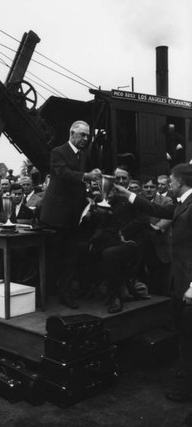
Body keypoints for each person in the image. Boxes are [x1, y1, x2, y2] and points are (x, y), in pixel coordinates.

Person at [115, 163, 192, 402]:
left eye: (171, 180)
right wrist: (127, 193)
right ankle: (187, 370)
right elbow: (155, 208)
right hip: (181, 278)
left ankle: (188, 387)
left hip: (190, 282)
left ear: (179, 182)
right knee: (183, 329)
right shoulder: (181, 204)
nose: (168, 183)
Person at [40, 120, 101, 308]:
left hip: (73, 217)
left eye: (88, 135)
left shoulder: (82, 155)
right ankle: (44, 294)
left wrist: (88, 199)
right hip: (55, 217)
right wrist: (87, 176)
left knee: (70, 257)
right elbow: (64, 174)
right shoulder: (58, 152)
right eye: (82, 135)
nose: (85, 139)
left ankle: (65, 294)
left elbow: (77, 185)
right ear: (71, 133)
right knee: (53, 257)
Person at [89, 167, 149, 313]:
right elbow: (104, 224)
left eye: (124, 178)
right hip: (112, 240)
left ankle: (115, 297)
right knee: (90, 249)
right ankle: (118, 289)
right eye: (118, 179)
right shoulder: (109, 197)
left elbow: (143, 220)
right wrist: (94, 238)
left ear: (129, 179)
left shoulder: (135, 198)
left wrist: (124, 233)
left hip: (132, 243)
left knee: (110, 253)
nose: (121, 181)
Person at [139, 175, 172, 296]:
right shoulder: (137, 200)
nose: (148, 189)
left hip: (160, 245)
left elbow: (167, 218)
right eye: (145, 187)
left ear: (156, 188)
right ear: (142, 188)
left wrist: (157, 227)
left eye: (152, 187)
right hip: (140, 245)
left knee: (161, 287)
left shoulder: (166, 200)